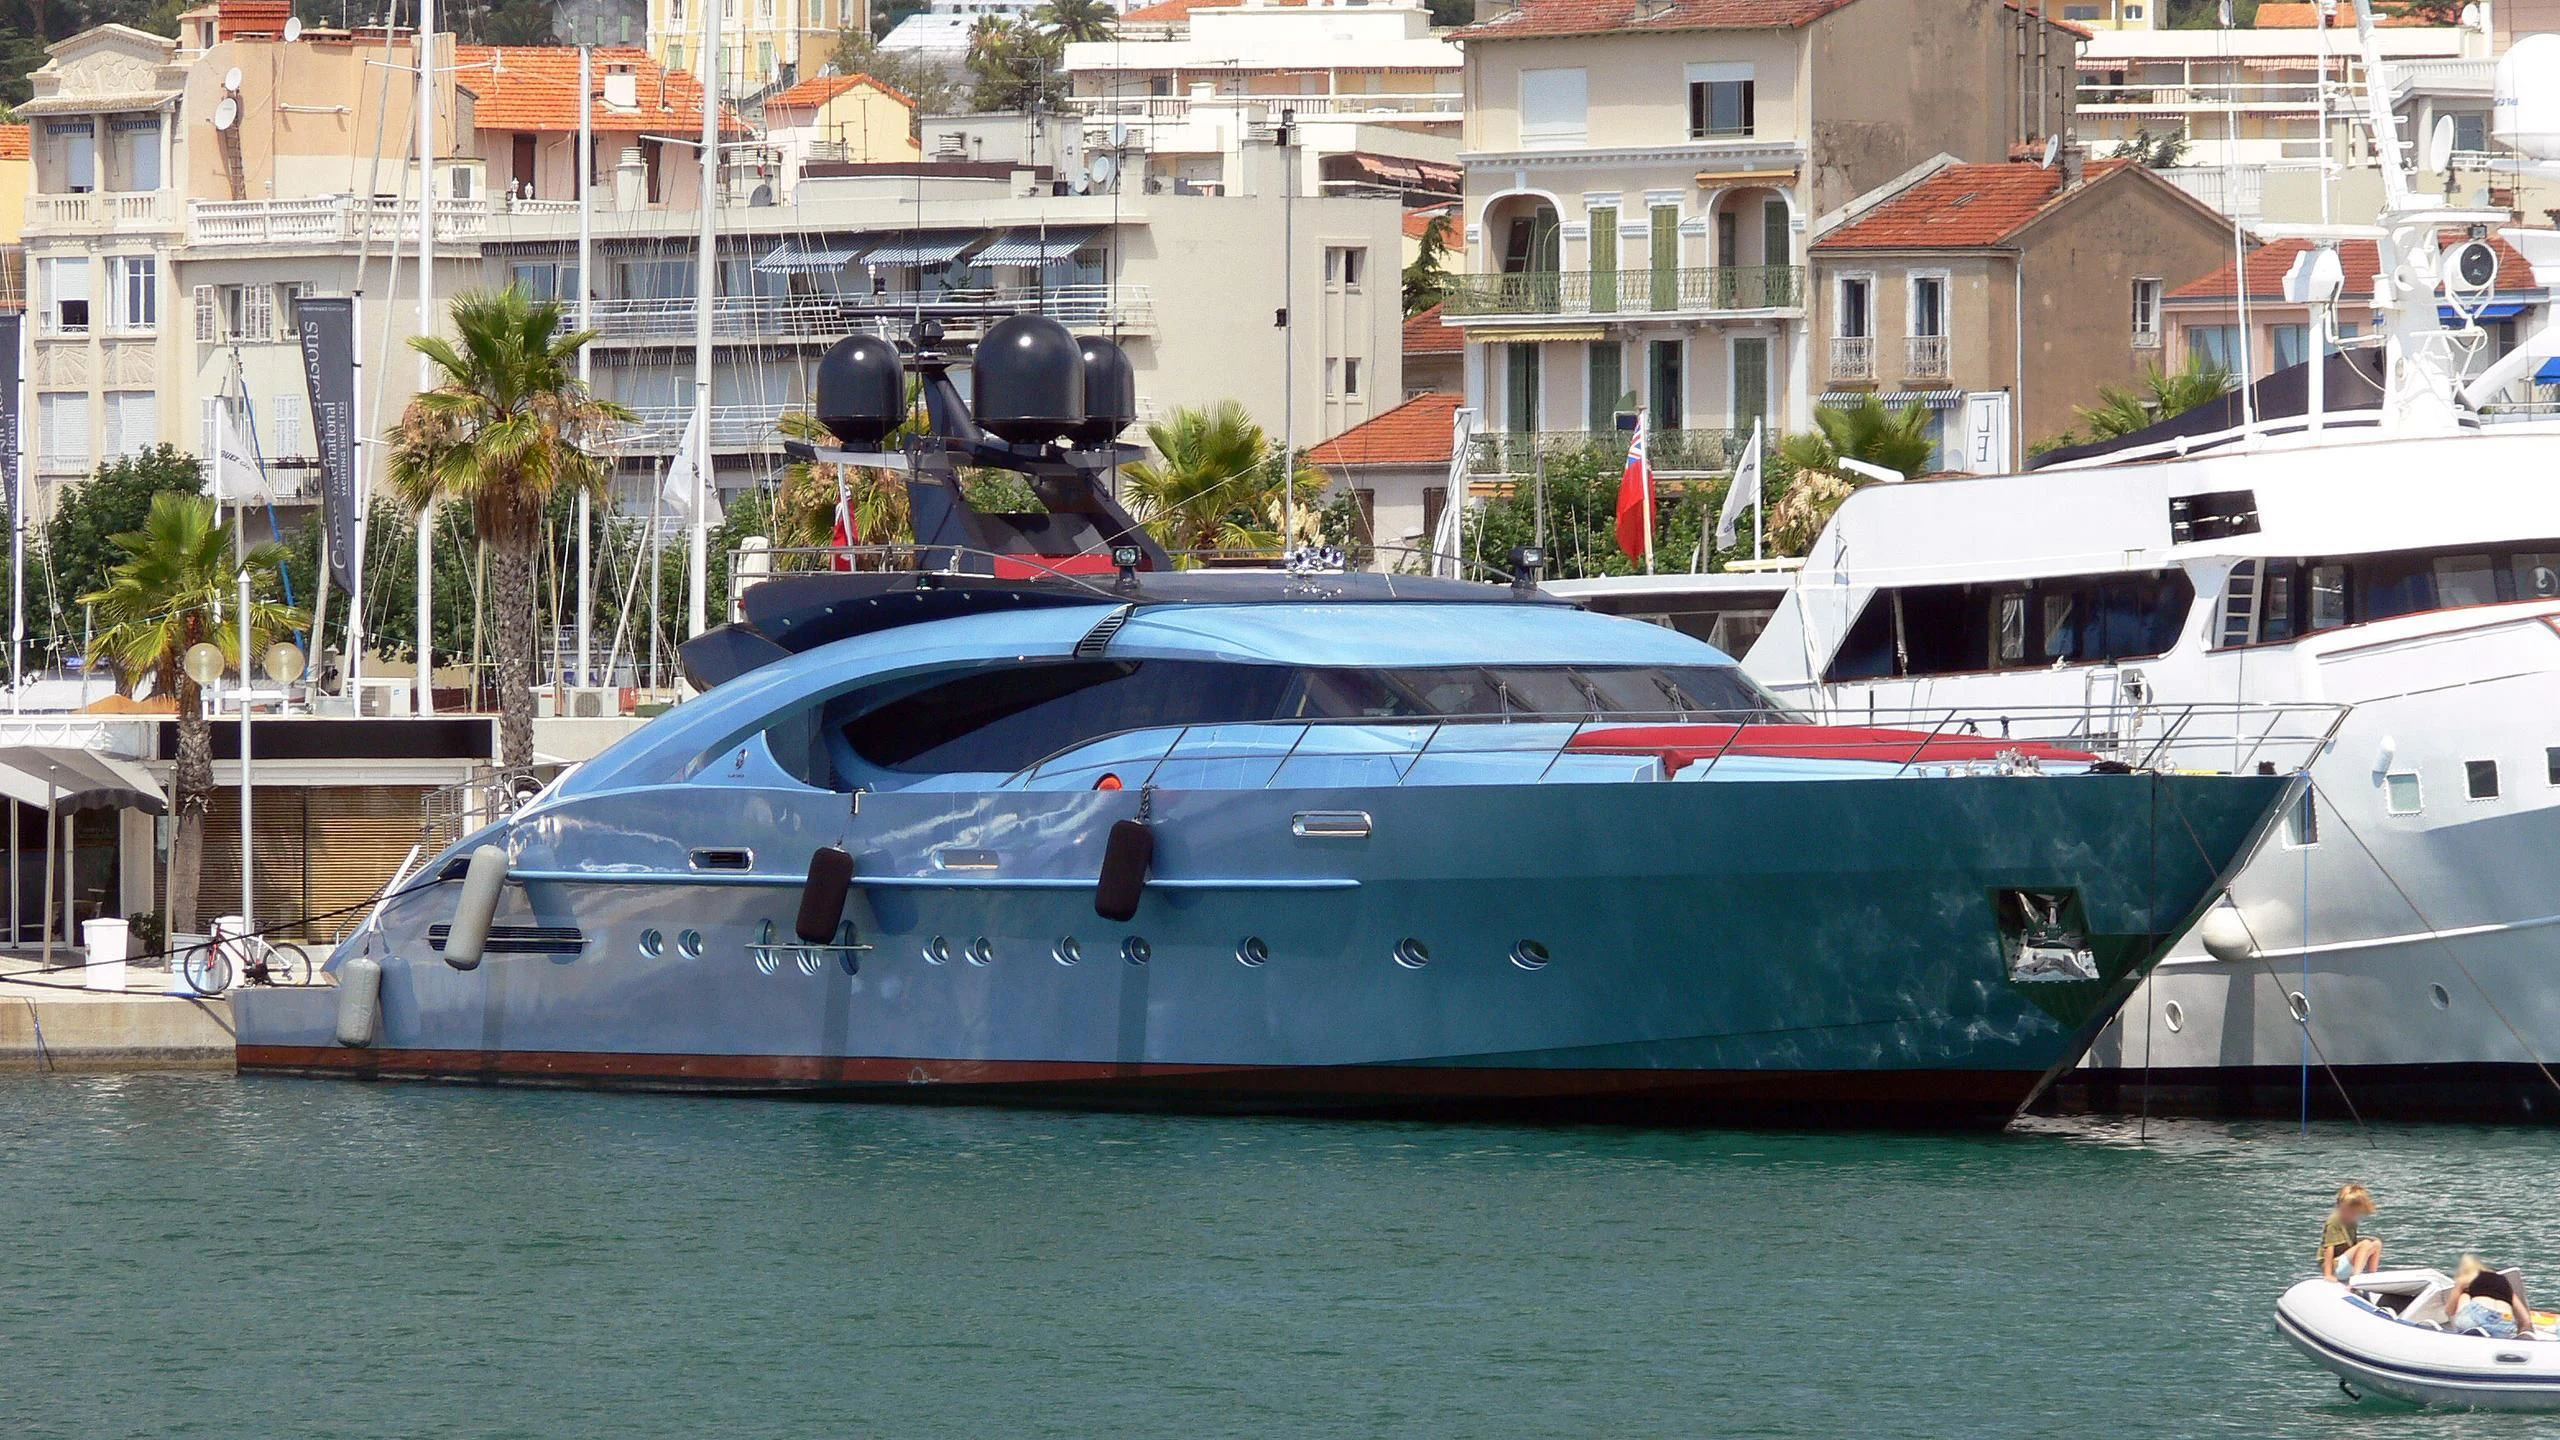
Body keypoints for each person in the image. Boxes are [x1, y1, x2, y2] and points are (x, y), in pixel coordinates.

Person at [2442, 1255, 2539, 1340]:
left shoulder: (2467, 1278)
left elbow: (2449, 1310)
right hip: (2505, 1321)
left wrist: (2459, 1289)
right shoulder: (2505, 1284)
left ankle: (2472, 1329)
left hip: (2478, 1315)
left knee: (2464, 1295)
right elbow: (2525, 1318)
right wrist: (2524, 1331)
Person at [2318, 1183, 2382, 1282]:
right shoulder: (2334, 1220)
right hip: (2334, 1267)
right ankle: (2356, 1280)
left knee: (2376, 1243)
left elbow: (2351, 1244)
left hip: (2344, 1262)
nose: (2352, 1215)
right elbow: (2328, 1248)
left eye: (2355, 1212)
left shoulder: (2352, 1222)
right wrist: (2328, 1274)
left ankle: (2372, 1277)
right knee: (2365, 1244)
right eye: (2348, 1211)